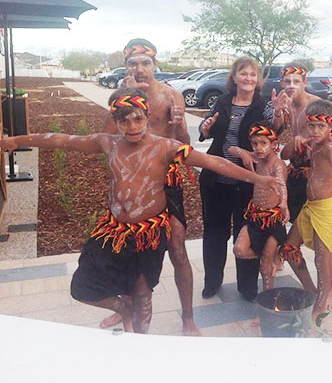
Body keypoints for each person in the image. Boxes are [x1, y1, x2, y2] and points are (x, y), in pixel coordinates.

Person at [0, 88, 280, 333]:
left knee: (144, 297)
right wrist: (18, 141)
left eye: (138, 118)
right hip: (114, 232)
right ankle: (122, 308)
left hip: (148, 235)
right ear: (116, 122)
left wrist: (257, 178)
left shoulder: (165, 147)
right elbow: (61, 139)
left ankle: (139, 344)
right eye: (124, 120)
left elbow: (212, 162)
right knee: (82, 288)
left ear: (147, 117)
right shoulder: (107, 143)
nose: (132, 125)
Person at [102, 38, 199, 335]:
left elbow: (185, 146)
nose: (140, 69)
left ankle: (188, 317)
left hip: (166, 182)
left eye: (146, 63)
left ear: (155, 64)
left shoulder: (171, 96)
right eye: (134, 63)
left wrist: (180, 123)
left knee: (177, 247)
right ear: (126, 65)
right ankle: (129, 305)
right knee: (129, 247)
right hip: (131, 183)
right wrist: (124, 95)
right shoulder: (121, 97)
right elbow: (106, 141)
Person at [199, 57, 267, 302]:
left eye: (252, 74)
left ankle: (247, 287)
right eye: (243, 73)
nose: (248, 78)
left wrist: (280, 118)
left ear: (257, 79)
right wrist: (205, 129)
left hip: (247, 184)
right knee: (215, 234)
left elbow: (272, 136)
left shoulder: (263, 106)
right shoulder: (222, 101)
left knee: (246, 233)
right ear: (235, 77)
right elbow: (206, 129)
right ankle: (212, 282)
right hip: (215, 181)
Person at [280, 100, 332, 322]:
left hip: (325, 209)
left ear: (330, 127)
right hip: (309, 208)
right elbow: (283, 155)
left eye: (321, 126)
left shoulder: (329, 147)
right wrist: (297, 141)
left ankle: (320, 305)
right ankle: (311, 290)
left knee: (322, 257)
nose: (316, 131)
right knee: (289, 248)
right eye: (312, 126)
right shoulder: (312, 143)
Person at [229, 123, 289, 290]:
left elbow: (281, 184)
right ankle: (269, 256)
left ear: (274, 145)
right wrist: (244, 154)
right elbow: (231, 149)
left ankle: (269, 302)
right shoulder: (256, 157)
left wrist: (284, 203)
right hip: (255, 217)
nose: (258, 148)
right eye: (255, 143)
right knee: (239, 250)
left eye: (263, 143)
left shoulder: (278, 164)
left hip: (272, 220)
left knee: (265, 268)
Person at [265, 62, 320, 221]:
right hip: (296, 169)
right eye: (287, 81)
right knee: (294, 222)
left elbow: (330, 135)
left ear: (305, 82)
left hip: (315, 171)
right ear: (281, 82)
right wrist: (277, 112)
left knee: (313, 227)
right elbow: (276, 131)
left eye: (296, 81)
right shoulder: (286, 104)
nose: (291, 86)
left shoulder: (316, 104)